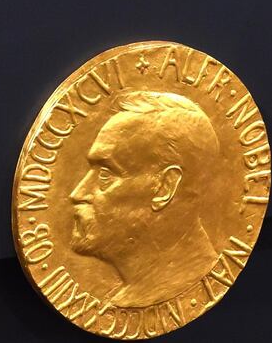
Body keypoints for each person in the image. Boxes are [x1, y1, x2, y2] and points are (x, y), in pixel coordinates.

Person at [69, 91, 220, 307]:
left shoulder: (183, 280)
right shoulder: (124, 299)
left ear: (164, 187)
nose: (77, 193)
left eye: (105, 175)